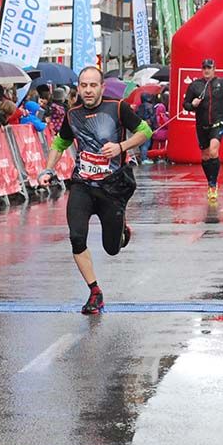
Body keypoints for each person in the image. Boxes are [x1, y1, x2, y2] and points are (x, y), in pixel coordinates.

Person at [38, 67, 151, 315]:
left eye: (93, 85)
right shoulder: (73, 114)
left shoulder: (118, 107)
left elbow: (145, 131)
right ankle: (95, 292)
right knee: (77, 236)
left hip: (111, 187)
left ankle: (121, 231)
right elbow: (60, 143)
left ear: (101, 87)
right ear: (78, 88)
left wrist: (121, 146)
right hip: (82, 185)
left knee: (112, 248)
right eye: (83, 85)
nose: (88, 90)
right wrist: (47, 169)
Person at [182, 58, 223, 202]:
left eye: (209, 68)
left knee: (213, 151)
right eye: (204, 68)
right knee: (205, 156)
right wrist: (192, 105)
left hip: (218, 122)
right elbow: (185, 105)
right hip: (202, 124)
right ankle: (210, 182)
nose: (206, 70)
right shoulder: (195, 85)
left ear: (214, 69)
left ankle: (213, 185)